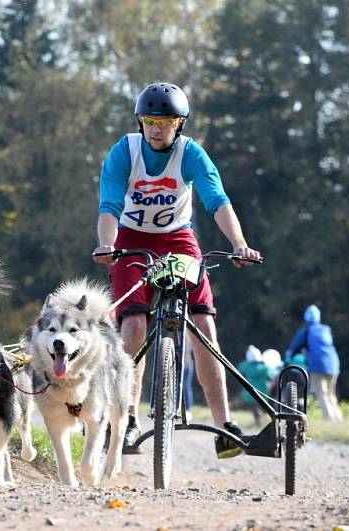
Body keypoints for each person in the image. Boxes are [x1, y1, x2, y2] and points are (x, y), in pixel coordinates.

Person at [92, 82, 261, 458]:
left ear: (179, 123)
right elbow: (110, 204)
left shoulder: (191, 154)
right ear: (141, 122)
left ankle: (223, 426)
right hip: (130, 238)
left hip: (176, 239)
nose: (155, 129)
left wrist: (239, 244)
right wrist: (107, 243)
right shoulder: (125, 151)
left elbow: (216, 200)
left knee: (204, 327)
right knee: (133, 325)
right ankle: (129, 417)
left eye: (164, 121)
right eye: (149, 121)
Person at [286, 305, 342, 421]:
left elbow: (294, 347)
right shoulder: (325, 329)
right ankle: (338, 418)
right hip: (334, 364)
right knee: (331, 393)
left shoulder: (306, 331)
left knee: (322, 393)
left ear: (306, 318)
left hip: (318, 366)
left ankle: (329, 420)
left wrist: (288, 357)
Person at [237, 345, 276, 426]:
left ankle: (259, 420)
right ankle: (262, 420)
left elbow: (240, 373)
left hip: (250, 393)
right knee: (262, 406)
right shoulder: (266, 367)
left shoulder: (245, 366)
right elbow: (271, 377)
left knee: (253, 406)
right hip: (264, 392)